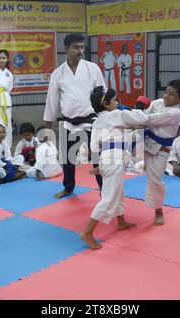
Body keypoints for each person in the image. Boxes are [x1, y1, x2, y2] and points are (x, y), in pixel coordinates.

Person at [80, 86, 149, 250]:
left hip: (106, 159)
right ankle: (87, 232)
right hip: (114, 159)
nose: (118, 102)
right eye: (115, 99)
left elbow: (93, 148)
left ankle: (121, 221)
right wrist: (138, 108)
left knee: (118, 191)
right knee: (109, 197)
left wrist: (99, 166)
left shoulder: (96, 122)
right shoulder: (117, 115)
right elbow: (142, 118)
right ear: (105, 103)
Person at [43, 33, 104, 199]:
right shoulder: (58, 73)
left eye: (82, 47)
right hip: (68, 122)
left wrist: (106, 118)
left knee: (98, 158)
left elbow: (102, 96)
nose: (80, 50)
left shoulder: (93, 68)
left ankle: (104, 191)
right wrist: (48, 127)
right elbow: (52, 100)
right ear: (66, 49)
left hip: (91, 120)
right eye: (76, 47)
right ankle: (68, 187)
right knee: (67, 159)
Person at [143, 80, 180, 225]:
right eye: (166, 91)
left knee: (155, 181)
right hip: (144, 143)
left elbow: (147, 119)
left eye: (171, 94)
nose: (166, 96)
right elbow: (144, 114)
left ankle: (158, 210)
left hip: (160, 150)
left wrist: (129, 114)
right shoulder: (157, 103)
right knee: (121, 169)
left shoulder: (174, 113)